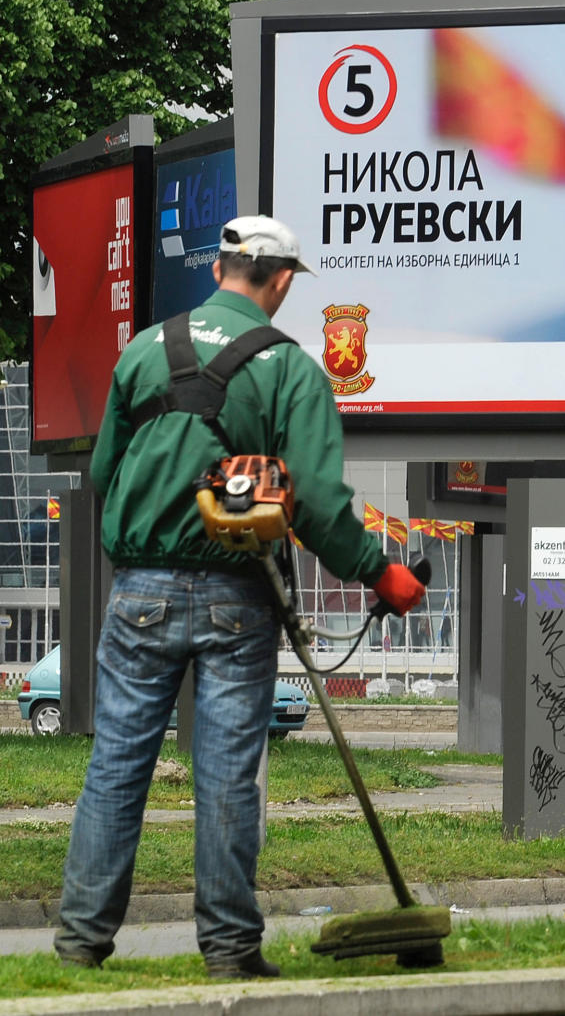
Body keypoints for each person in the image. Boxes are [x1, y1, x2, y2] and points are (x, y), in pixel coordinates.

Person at [54, 215, 426, 980]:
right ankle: (228, 951)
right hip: (237, 596)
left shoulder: (143, 351)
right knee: (226, 774)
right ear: (282, 281)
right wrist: (379, 572)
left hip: (139, 594)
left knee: (117, 765)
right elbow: (318, 501)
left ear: (221, 268)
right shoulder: (290, 369)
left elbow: (103, 479)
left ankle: (79, 944)